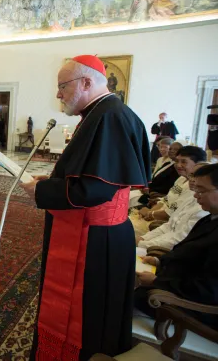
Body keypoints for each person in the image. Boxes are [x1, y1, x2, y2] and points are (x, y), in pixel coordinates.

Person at [20, 55, 151, 360]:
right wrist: (53, 179)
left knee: (88, 313)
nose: (58, 94)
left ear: (86, 83)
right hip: (103, 234)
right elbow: (88, 175)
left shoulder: (107, 118)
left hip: (95, 240)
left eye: (62, 86)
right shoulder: (105, 114)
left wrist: (41, 190)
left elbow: (95, 190)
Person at [135, 163, 218, 331]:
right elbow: (186, 253)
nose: (196, 196)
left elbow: (209, 290)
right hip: (170, 280)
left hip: (185, 302)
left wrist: (158, 282)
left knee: (115, 291)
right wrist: (159, 261)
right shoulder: (210, 218)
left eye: (201, 191)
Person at [136, 163, 209, 251]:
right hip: (158, 244)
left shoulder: (204, 209)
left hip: (167, 251)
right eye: (192, 175)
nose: (192, 180)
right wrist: (143, 239)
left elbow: (179, 239)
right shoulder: (191, 197)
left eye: (199, 177)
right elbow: (169, 226)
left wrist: (143, 244)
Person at [129, 139, 180, 207]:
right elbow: (155, 177)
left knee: (129, 198)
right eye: (170, 149)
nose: (172, 151)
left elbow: (169, 187)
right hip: (152, 191)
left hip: (156, 194)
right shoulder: (168, 164)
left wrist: (150, 191)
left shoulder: (177, 169)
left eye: (176, 149)